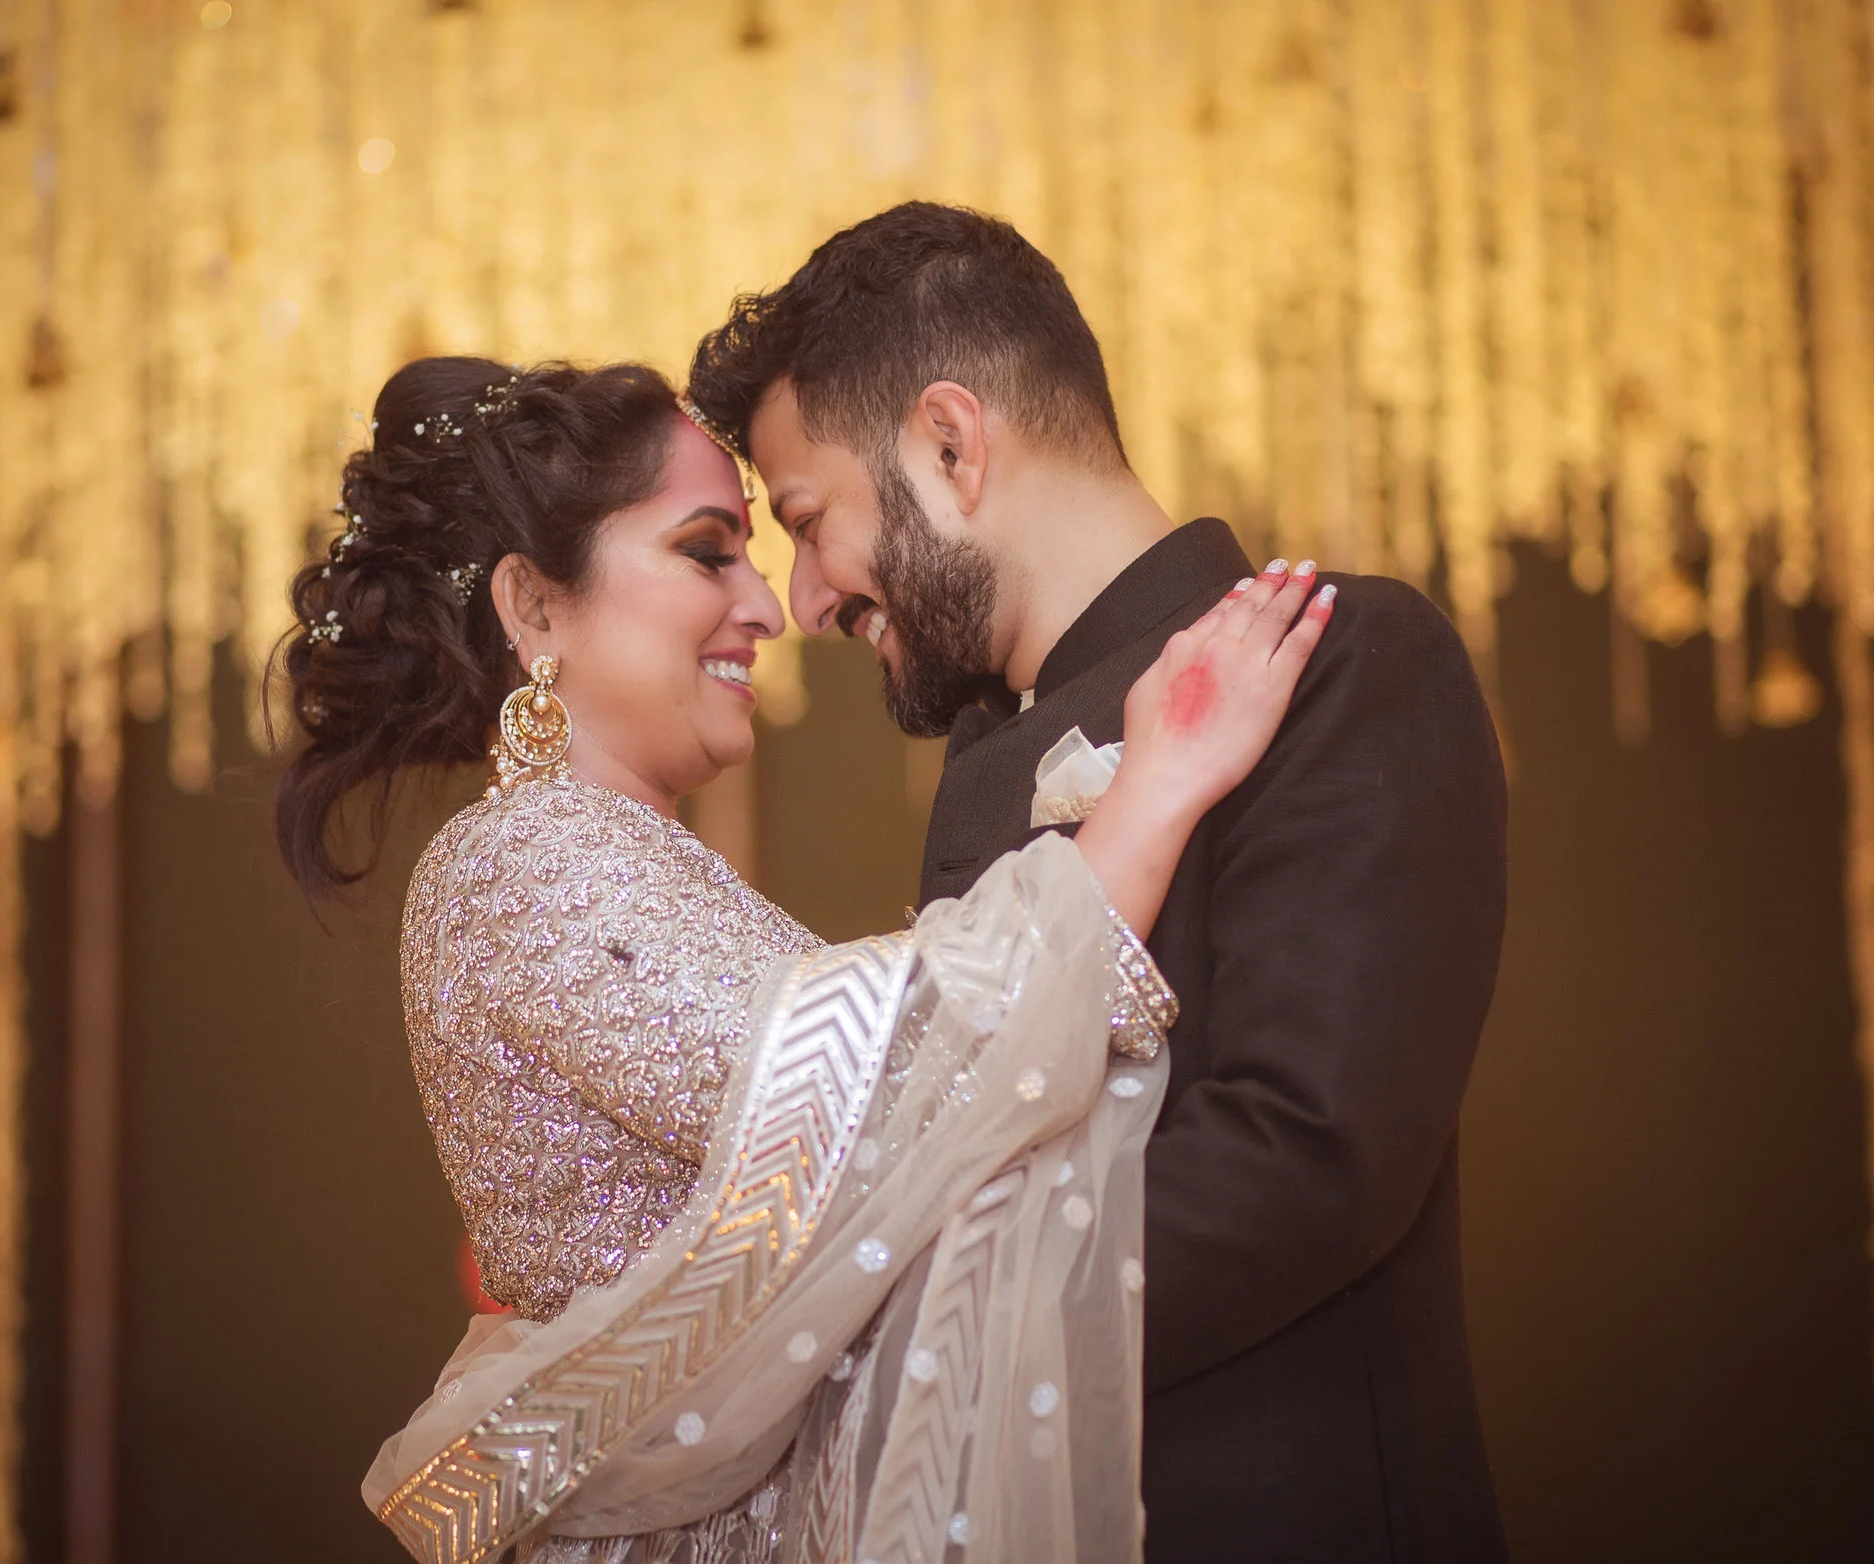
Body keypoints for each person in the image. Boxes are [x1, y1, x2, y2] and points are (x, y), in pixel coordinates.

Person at [274, 355, 1332, 1562]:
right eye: (706, 550)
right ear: (533, 607)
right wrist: (1154, 792)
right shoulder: (525, 860)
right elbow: (873, 1108)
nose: (769, 607)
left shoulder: (604, 855)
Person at [685, 202, 1510, 1562]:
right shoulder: (984, 762)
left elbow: (1313, 1158)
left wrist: (875, 1317)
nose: (807, 598)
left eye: (807, 518)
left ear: (950, 445)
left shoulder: (1347, 661)